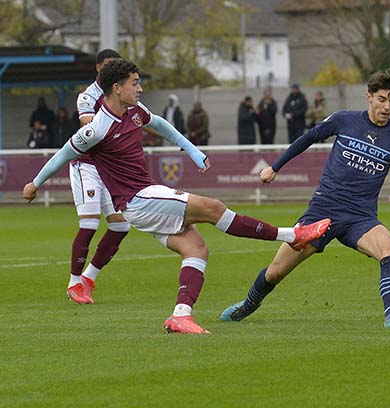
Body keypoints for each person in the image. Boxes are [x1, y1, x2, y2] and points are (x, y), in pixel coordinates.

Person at [23, 59, 331, 334]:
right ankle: (293, 236)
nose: (140, 88)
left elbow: (161, 125)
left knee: (197, 249)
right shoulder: (96, 129)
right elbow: (62, 155)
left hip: (145, 198)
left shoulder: (135, 112)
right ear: (117, 88)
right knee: (213, 208)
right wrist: (35, 184)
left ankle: (181, 315)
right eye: (135, 83)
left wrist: (193, 151)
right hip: (137, 201)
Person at [220, 69, 390, 328]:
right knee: (275, 272)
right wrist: (275, 167)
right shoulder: (344, 120)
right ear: (369, 97)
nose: (387, 106)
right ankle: (247, 305)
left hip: (361, 217)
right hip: (322, 212)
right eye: (382, 99)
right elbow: (308, 138)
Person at [57, 48, 127, 305]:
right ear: (98, 68)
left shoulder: (122, 94)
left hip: (107, 166)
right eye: (109, 66)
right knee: (89, 224)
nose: (112, 71)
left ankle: (88, 278)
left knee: (121, 225)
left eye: (116, 66)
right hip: (86, 165)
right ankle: (74, 282)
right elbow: (90, 126)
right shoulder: (88, 96)